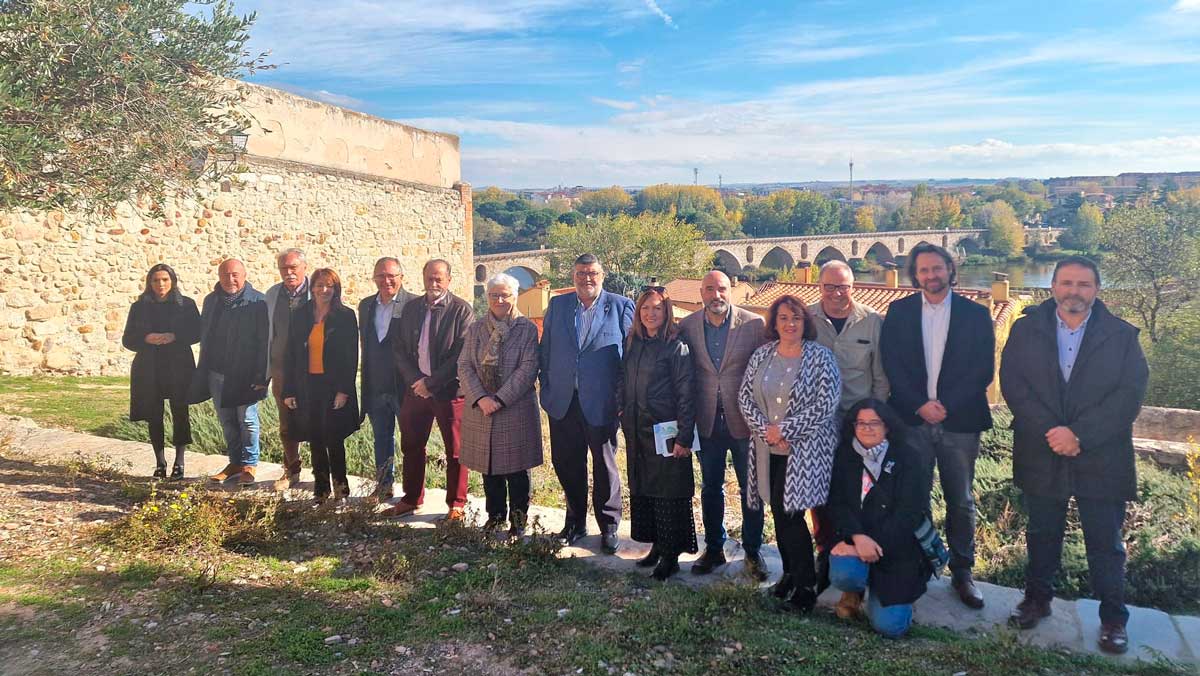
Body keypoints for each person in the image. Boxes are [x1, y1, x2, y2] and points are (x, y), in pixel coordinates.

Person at [1000, 256, 1148, 655]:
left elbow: (1129, 396)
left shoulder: (1121, 336)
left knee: (1105, 542)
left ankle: (1113, 619)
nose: (1074, 291)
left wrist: (1079, 434)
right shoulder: (1026, 329)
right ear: (1053, 287)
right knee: (1041, 534)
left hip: (1100, 452)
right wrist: (1054, 432)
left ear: (1097, 290)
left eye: (1083, 284)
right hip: (1041, 447)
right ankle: (1037, 600)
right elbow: (1013, 384)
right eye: (1066, 283)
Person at [880, 243, 993, 610]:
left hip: (959, 422)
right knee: (915, 496)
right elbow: (891, 364)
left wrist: (944, 407)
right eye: (924, 270)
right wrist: (919, 405)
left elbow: (982, 371)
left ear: (950, 270)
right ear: (916, 275)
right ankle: (924, 563)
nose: (931, 275)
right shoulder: (898, 312)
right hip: (911, 419)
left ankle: (963, 573)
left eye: (937, 268)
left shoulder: (976, 315)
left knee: (960, 500)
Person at [738, 295, 841, 612]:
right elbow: (745, 397)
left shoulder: (821, 358)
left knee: (792, 514)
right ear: (775, 322)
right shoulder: (762, 355)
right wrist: (766, 429)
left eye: (796, 317)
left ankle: (806, 587)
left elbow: (826, 404)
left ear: (805, 322)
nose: (790, 323)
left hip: (806, 450)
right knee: (779, 513)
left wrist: (786, 430)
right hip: (768, 447)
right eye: (783, 318)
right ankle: (790, 574)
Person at [539, 253, 634, 553]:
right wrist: (548, 388)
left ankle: (609, 526)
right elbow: (546, 351)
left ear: (601, 276)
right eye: (581, 273)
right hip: (563, 402)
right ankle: (575, 522)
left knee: (605, 465)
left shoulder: (620, 306)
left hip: (603, 403)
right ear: (573, 277)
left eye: (592, 273)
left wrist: (621, 401)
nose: (586, 279)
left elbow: (629, 359)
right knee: (566, 463)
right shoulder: (558, 305)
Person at [678, 270, 768, 579]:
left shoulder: (754, 324)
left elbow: (767, 368)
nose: (716, 295)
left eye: (722, 289)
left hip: (746, 423)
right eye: (710, 289)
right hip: (706, 423)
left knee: (750, 490)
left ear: (731, 291)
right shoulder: (687, 326)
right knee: (710, 488)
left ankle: (753, 553)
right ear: (700, 293)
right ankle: (714, 548)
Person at [807, 259, 890, 593]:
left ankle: (857, 554)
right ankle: (825, 551)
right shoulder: (807, 319)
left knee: (856, 491)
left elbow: (881, 378)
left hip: (859, 424)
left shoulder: (872, 322)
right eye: (829, 286)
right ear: (820, 287)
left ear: (853, 287)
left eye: (843, 286)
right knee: (820, 491)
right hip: (819, 423)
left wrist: (874, 423)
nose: (836, 293)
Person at [827, 399, 932, 639]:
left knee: (891, 628)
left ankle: (890, 593)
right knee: (845, 573)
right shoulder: (845, 455)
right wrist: (856, 537)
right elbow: (837, 503)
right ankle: (854, 591)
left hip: (897, 549)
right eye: (861, 422)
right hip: (856, 540)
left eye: (875, 422)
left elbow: (909, 514)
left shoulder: (909, 457)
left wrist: (869, 543)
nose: (867, 428)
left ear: (887, 426)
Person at [382, 259, 474, 520]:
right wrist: (416, 381)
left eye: (439, 279)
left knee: (456, 451)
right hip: (416, 391)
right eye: (429, 278)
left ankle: (456, 504)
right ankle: (411, 499)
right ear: (422, 278)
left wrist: (431, 383)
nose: (433, 283)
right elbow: (398, 349)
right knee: (411, 445)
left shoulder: (461, 310)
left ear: (448, 280)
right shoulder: (411, 309)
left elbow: (460, 354)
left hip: (448, 392)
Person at [457, 273, 542, 537]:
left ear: (515, 296)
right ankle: (494, 518)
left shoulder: (526, 329)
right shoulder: (476, 328)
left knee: (517, 469)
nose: (500, 300)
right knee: (488, 466)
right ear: (487, 298)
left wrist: (500, 398)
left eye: (505, 295)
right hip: (482, 408)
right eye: (494, 295)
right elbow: (464, 365)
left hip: (514, 408)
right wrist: (481, 398)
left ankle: (518, 522)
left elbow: (528, 368)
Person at [621, 287, 698, 580]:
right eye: (645, 308)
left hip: (665, 432)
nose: (650, 314)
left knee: (669, 494)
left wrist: (684, 437)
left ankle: (671, 556)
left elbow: (686, 394)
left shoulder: (675, 346)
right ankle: (656, 546)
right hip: (637, 429)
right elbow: (623, 379)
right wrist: (621, 409)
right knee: (646, 490)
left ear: (666, 313)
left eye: (656, 308)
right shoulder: (634, 343)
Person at [281, 268, 360, 502]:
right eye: (319, 285)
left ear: (336, 289)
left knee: (334, 438)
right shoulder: (300, 314)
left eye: (329, 286)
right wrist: (288, 390)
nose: (323, 290)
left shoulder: (345, 316)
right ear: (312, 287)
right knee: (315, 437)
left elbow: (350, 356)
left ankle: (341, 488)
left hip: (333, 386)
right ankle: (321, 489)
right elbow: (291, 354)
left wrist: (343, 390)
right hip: (307, 384)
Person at [192, 258, 269, 486]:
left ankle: (249, 464)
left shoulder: (258, 302)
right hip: (217, 372)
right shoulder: (211, 300)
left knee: (247, 420)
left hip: (245, 374)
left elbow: (265, 342)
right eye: (225, 274)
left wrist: (262, 375)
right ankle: (234, 462)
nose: (230, 279)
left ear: (244, 275)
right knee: (226, 420)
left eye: (235, 274)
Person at [122, 264, 201, 480]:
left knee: (180, 412)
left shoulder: (186, 305)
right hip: (149, 366)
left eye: (165, 279)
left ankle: (180, 462)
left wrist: (175, 336)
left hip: (179, 365)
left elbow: (197, 332)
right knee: (153, 414)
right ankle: (160, 462)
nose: (161, 284)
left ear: (173, 281)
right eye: (156, 280)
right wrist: (147, 338)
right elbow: (128, 339)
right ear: (149, 283)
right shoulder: (139, 307)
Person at [358, 257, 416, 499]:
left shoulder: (413, 304)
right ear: (374, 278)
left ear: (401, 277)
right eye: (381, 276)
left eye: (391, 275)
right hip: (376, 385)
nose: (386, 280)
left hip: (404, 387)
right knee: (381, 439)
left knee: (412, 443)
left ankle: (413, 492)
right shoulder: (366, 305)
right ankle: (383, 486)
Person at [265, 248, 311, 491]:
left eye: (293, 267)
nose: (289, 272)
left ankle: (325, 474)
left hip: (313, 368)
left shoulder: (320, 290)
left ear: (304, 267)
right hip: (282, 368)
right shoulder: (272, 295)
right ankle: (291, 470)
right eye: (284, 268)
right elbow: (266, 334)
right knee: (287, 424)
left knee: (318, 421)